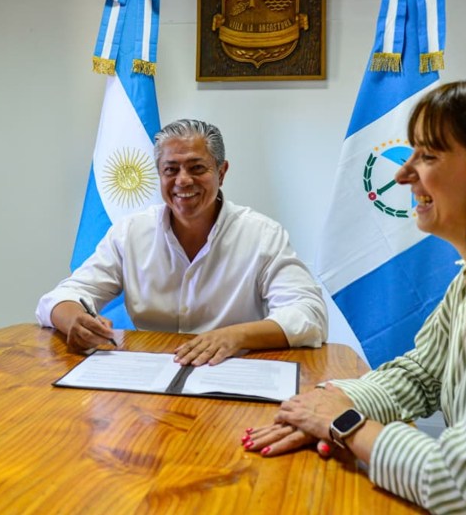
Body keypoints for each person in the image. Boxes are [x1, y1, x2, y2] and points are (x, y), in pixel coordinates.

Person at [243, 75, 466, 513]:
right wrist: (330, 404)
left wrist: (344, 423)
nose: (402, 173)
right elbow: (420, 375)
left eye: (428, 155)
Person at [36, 119, 327, 364]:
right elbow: (61, 297)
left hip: (232, 373)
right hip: (147, 377)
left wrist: (235, 335)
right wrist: (74, 319)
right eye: (171, 169)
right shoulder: (130, 233)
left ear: (221, 172)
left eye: (197, 168)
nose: (183, 180)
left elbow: (309, 314)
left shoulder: (262, 235)